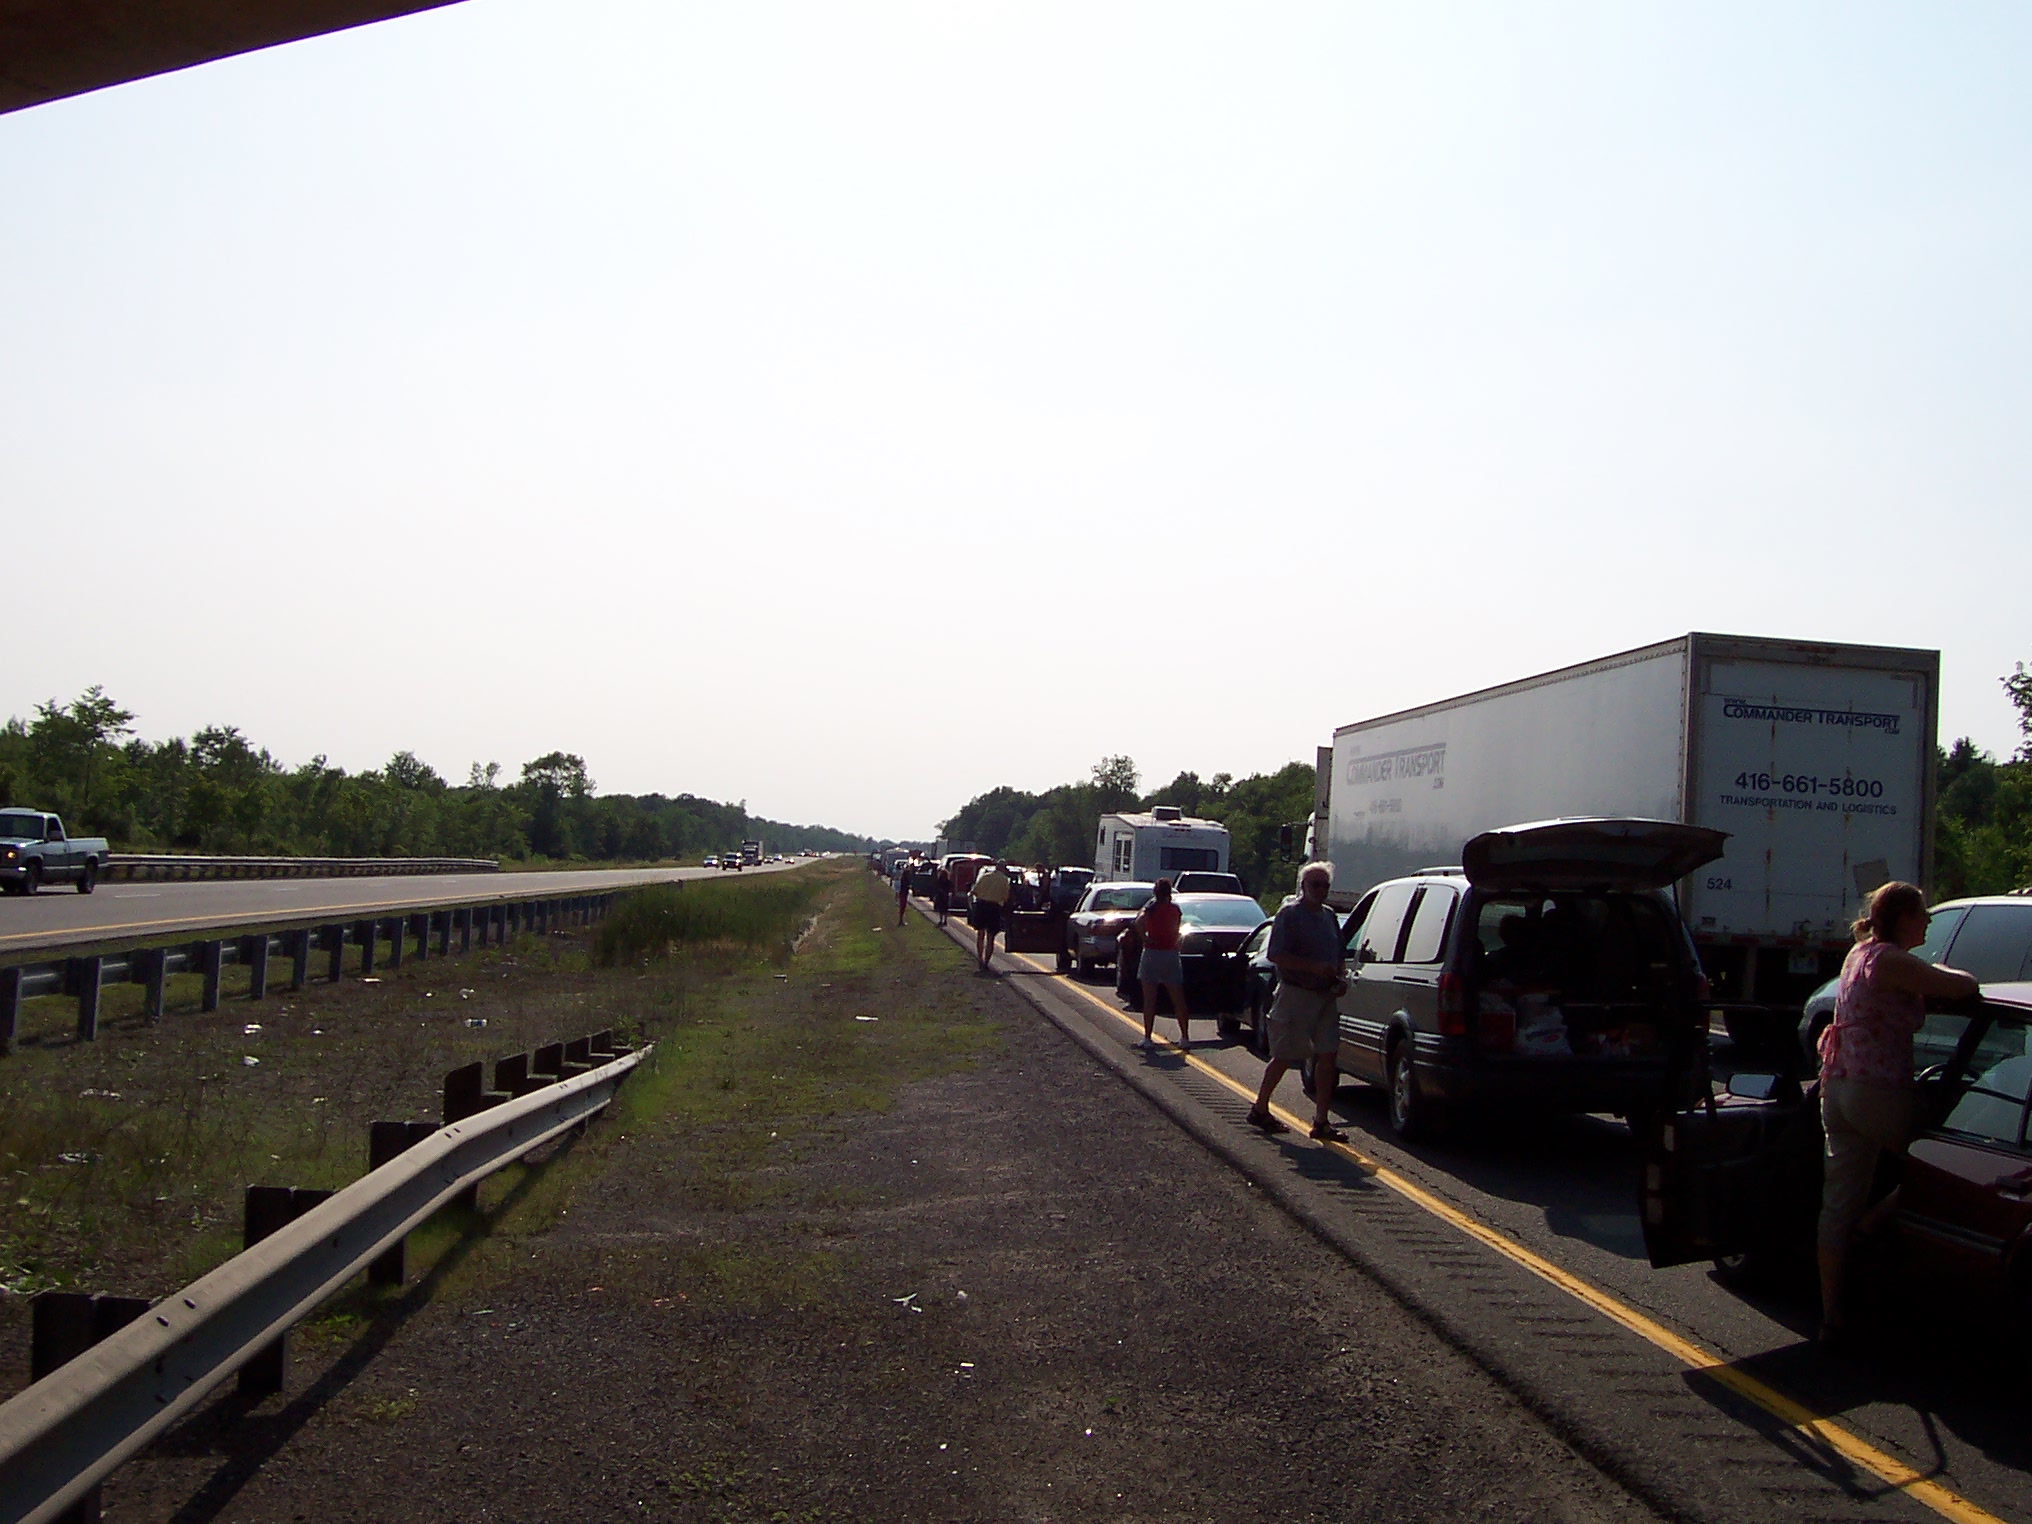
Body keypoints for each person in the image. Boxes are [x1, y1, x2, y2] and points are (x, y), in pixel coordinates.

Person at [1814, 880, 1978, 1349]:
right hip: (1877, 1091)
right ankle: (1873, 1225)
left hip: (1838, 1086)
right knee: (1945, 1168)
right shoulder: (1891, 961)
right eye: (1923, 914)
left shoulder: (1859, 953)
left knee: (1837, 1203)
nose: (1927, 922)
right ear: (1905, 918)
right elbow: (1963, 985)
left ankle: (1831, 1315)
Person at [1247, 862, 1348, 1143]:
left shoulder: (1329, 916)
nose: (1321, 890)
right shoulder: (1289, 915)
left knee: (1328, 1055)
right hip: (1296, 994)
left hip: (1325, 996)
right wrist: (1314, 968)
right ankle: (1260, 1108)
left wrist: (1339, 977)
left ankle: (1321, 1121)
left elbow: (1339, 953)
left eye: (1325, 885)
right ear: (1303, 886)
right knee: (1285, 1054)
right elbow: (1276, 954)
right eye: (1315, 884)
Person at [1130, 878, 1191, 1049]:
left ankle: (1148, 1038)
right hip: (1170, 953)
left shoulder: (1151, 908)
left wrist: (1145, 938)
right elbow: (1178, 928)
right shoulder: (1175, 909)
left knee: (1150, 999)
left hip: (1152, 953)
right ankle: (1185, 1037)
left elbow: (1138, 922)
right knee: (1178, 998)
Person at [970, 860, 1014, 971]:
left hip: (981, 905)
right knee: (990, 937)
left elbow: (974, 891)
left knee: (980, 934)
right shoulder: (1004, 880)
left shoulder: (985, 876)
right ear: (1003, 868)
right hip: (994, 908)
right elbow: (1005, 898)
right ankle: (986, 962)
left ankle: (980, 959)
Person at [895, 860, 913, 926]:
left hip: (903, 893)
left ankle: (901, 920)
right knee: (902, 907)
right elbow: (906, 885)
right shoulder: (905, 879)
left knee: (902, 907)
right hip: (903, 893)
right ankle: (900, 921)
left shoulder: (903, 878)